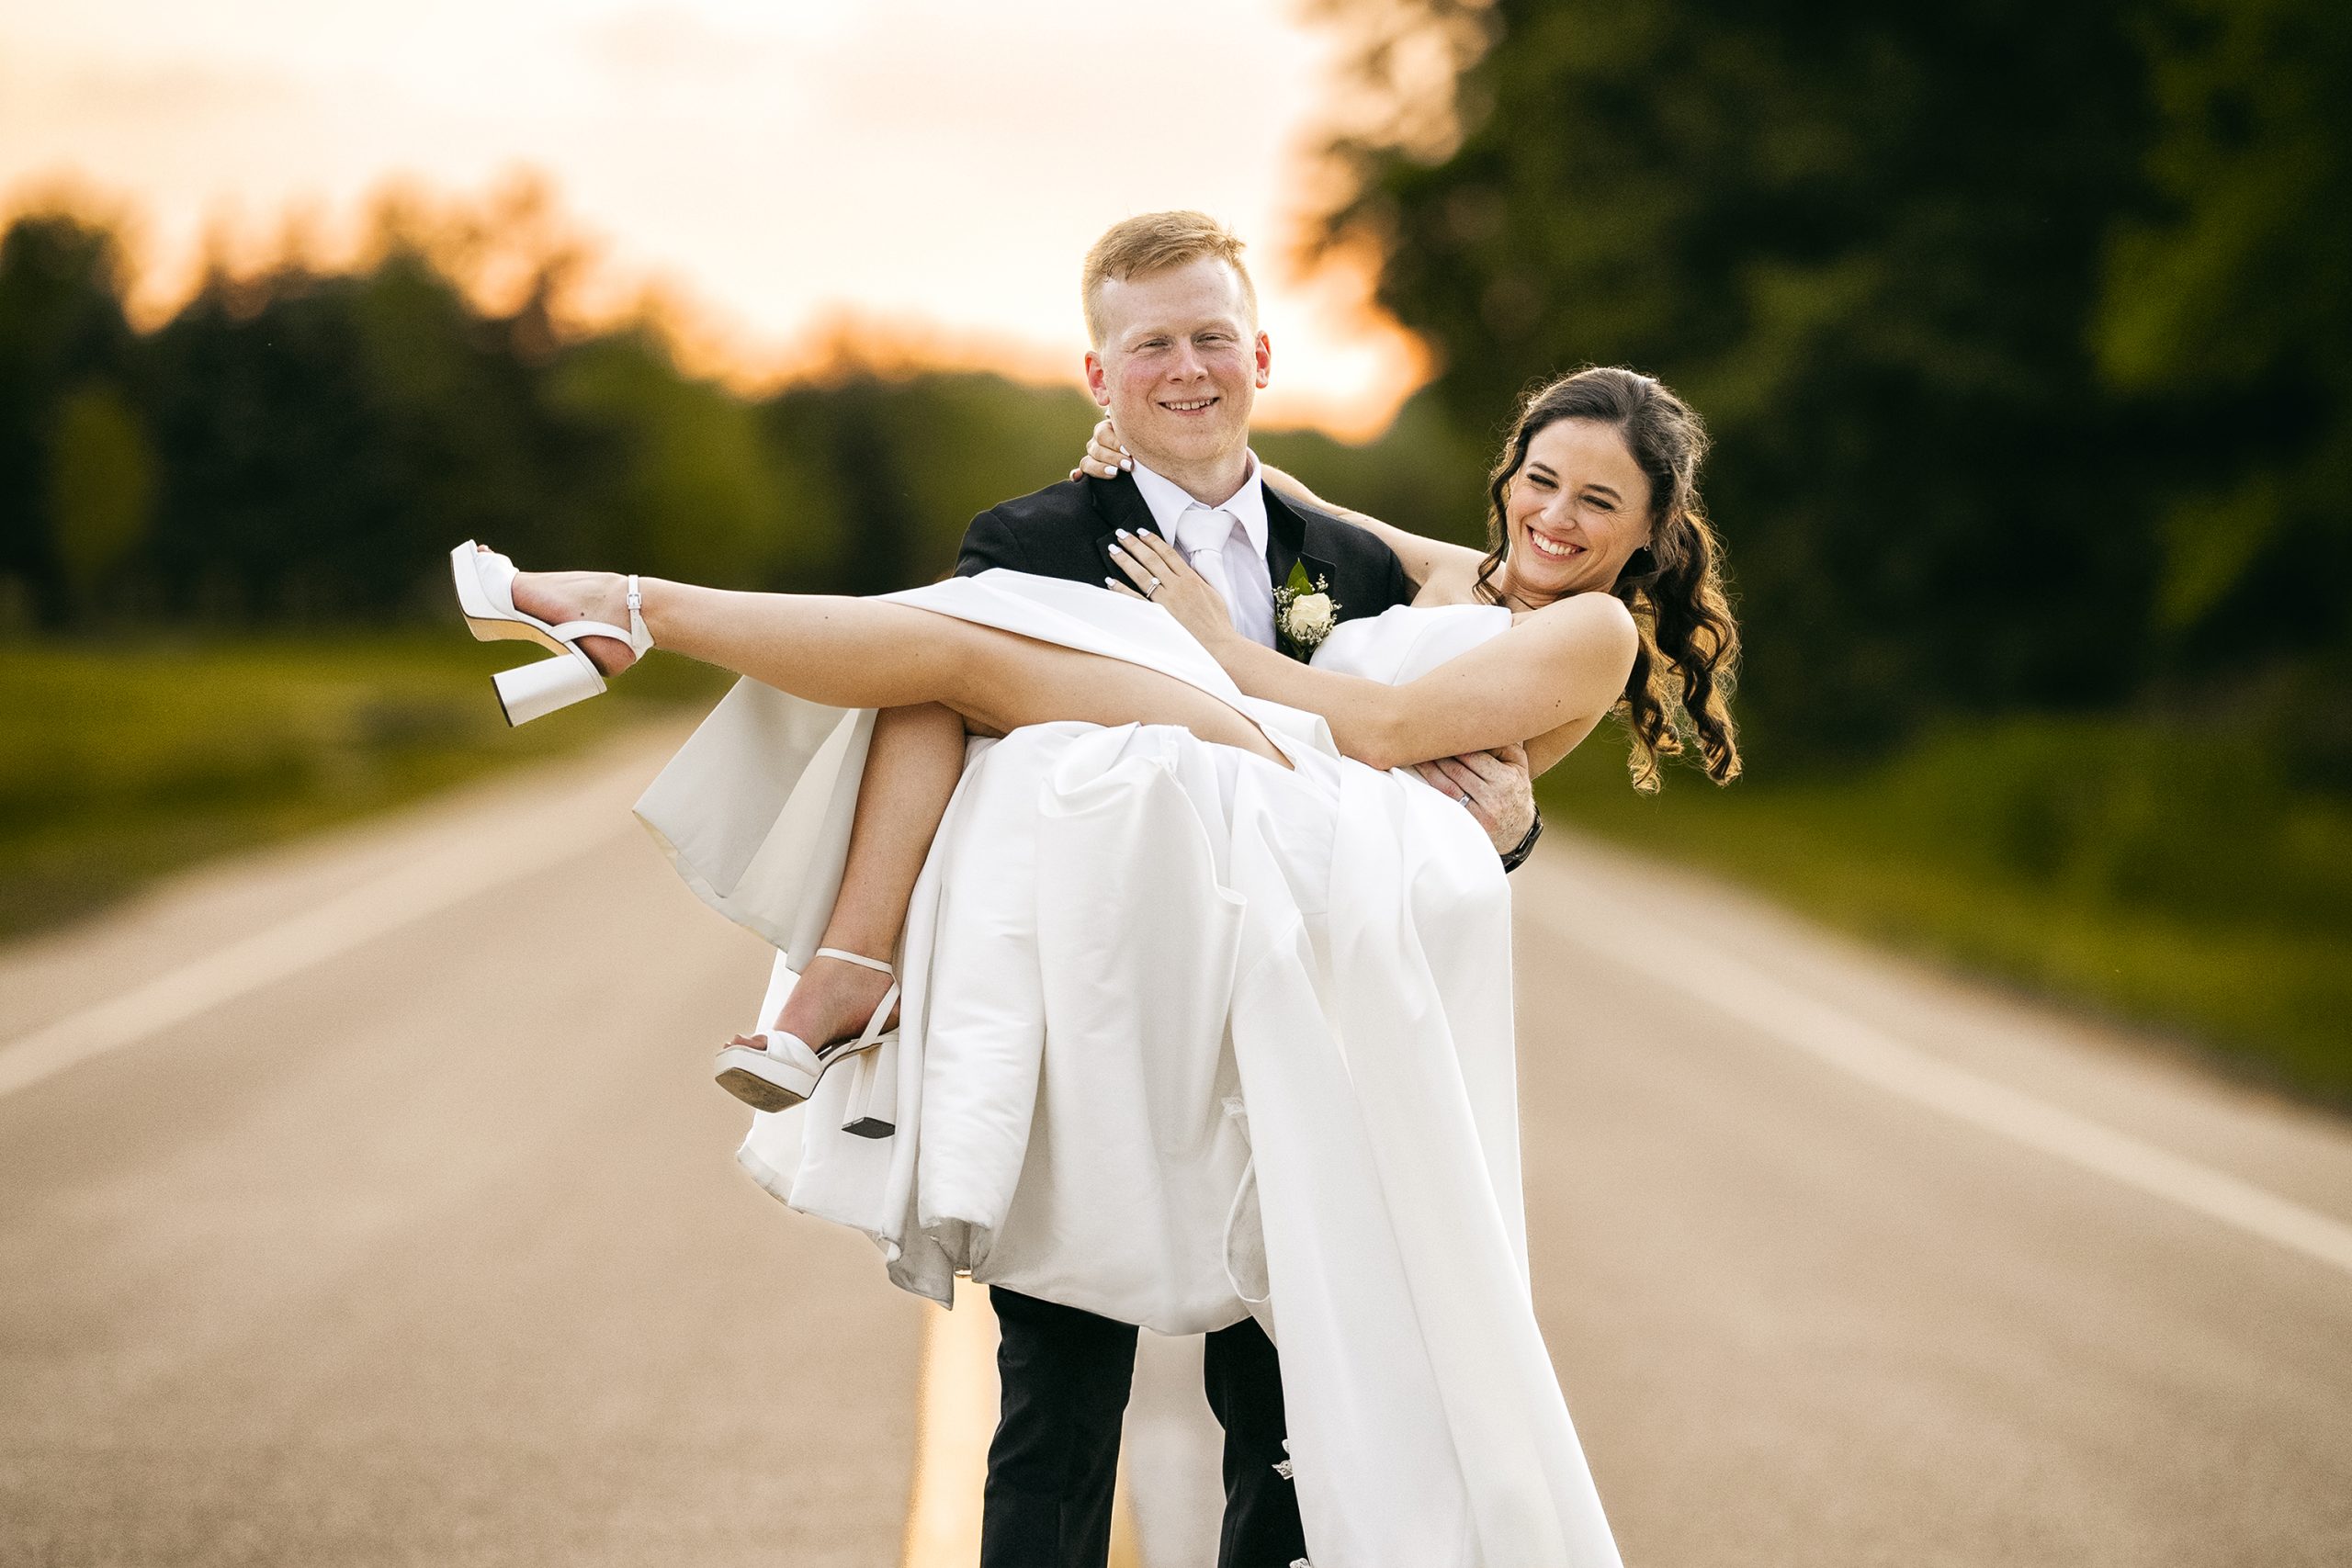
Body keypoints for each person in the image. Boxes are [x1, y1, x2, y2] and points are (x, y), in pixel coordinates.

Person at [454, 247, 1739, 1568]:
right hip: (1249, 860)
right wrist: (1151, 431)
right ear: (1509, 476)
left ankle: (632, 617)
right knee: (954, 657)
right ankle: (798, 882)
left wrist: (1219, 646)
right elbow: (1290, 489)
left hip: (1318, 815)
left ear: (1650, 531)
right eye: (1541, 480)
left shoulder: (1595, 631)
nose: (1560, 517)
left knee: (957, 649)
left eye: (1600, 501)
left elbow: (1403, 723)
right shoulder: (1449, 577)